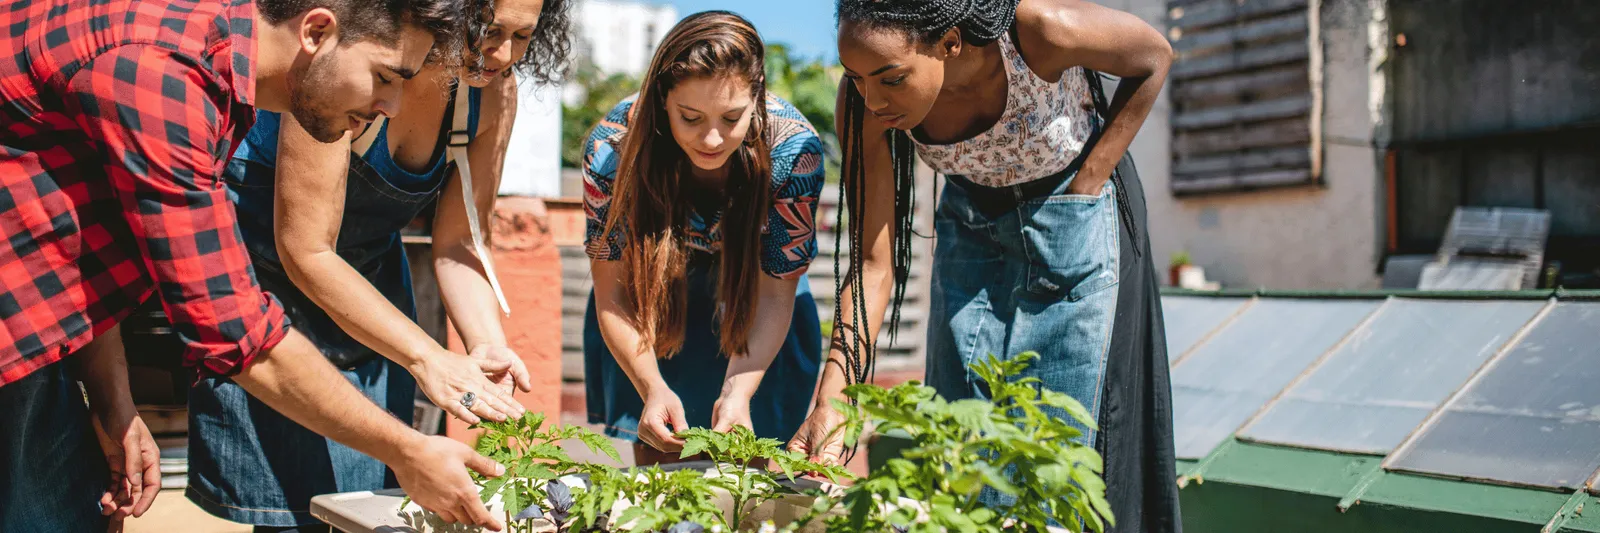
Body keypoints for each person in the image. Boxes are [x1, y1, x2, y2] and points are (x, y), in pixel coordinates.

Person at [0, 0, 512, 531]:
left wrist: (113, 401)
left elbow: (86, 233)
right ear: (316, 30)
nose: (392, 105)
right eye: (385, 76)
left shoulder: (216, 67)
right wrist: (408, 451)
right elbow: (231, 329)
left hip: (42, 328)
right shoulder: (163, 74)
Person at [169, 0, 576, 529]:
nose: (501, 54)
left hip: (375, 308)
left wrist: (482, 342)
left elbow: (458, 243)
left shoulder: (494, 93)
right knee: (293, 509)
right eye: (487, 30)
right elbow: (307, 249)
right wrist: (426, 357)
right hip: (273, 291)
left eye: (522, 37)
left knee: (368, 504)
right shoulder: (353, 76)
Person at [788, 0, 1180, 531]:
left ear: (950, 42)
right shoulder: (864, 106)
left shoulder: (1040, 32)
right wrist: (833, 398)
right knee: (960, 440)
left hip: (1075, 217)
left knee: (1059, 447)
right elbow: (874, 266)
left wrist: (1094, 175)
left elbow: (1154, 56)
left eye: (891, 78)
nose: (871, 99)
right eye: (855, 79)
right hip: (970, 227)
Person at [581, 11, 826, 466]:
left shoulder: (795, 152)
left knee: (753, 469)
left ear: (758, 99)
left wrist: (737, 392)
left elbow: (775, 295)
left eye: (732, 117)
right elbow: (612, 292)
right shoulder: (612, 150)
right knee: (663, 462)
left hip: (760, 301)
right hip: (651, 299)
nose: (712, 138)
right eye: (690, 117)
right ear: (662, 101)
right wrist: (651, 388)